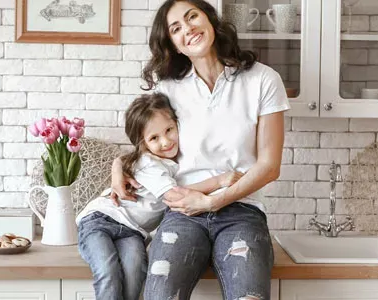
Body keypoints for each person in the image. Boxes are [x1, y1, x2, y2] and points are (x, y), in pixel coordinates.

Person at [109, 0, 289, 299]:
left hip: (242, 211)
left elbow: (269, 166)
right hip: (183, 212)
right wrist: (118, 165)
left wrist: (212, 202)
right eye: (176, 28)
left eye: (192, 16)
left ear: (210, 19)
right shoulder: (168, 89)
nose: (188, 28)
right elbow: (147, 145)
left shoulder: (262, 79)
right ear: (174, 45)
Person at [76, 93, 244, 300]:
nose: (165, 142)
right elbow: (176, 195)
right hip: (100, 220)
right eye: (154, 138)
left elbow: (181, 186)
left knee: (136, 269)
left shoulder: (171, 164)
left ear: (177, 125)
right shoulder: (148, 163)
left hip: (133, 232)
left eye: (169, 130)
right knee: (108, 270)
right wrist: (219, 181)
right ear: (143, 143)